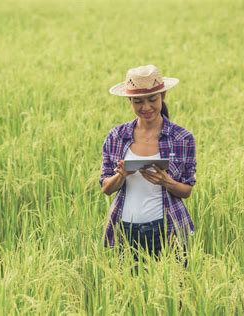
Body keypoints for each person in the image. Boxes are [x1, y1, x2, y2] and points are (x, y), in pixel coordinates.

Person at [100, 65, 196, 269]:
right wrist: (121, 176)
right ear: (130, 101)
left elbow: (187, 190)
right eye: (138, 101)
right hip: (124, 230)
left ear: (163, 95)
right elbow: (106, 188)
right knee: (126, 295)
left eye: (152, 99)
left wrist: (167, 181)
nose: (146, 107)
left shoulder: (182, 138)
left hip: (168, 229)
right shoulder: (117, 136)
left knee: (174, 295)